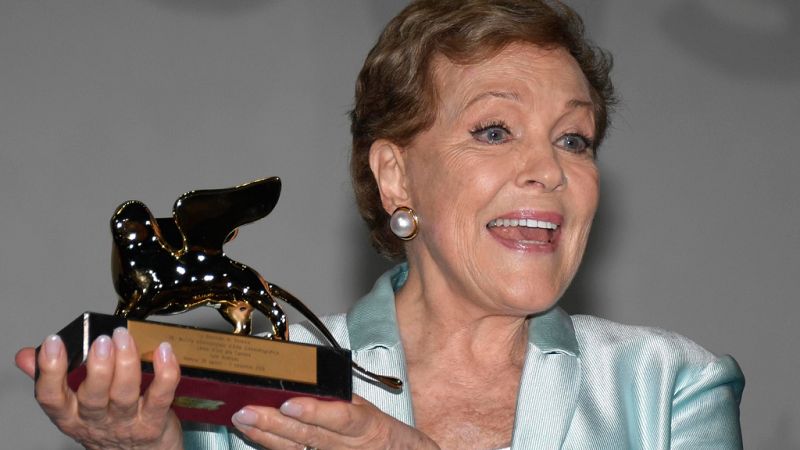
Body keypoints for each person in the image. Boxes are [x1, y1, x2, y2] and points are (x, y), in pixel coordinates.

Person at [15, 0, 744, 448]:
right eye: (495, 130)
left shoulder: (669, 386)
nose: (549, 170)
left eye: (574, 138)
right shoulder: (257, 385)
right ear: (395, 174)